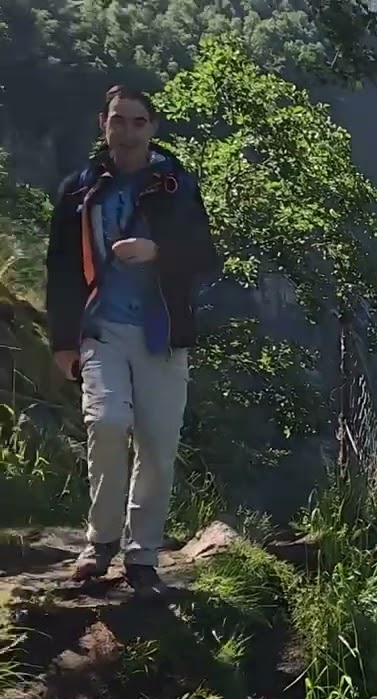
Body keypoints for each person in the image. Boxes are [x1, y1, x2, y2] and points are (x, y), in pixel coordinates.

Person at [44, 84, 221, 596]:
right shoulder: (79, 189)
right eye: (118, 120)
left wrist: (156, 250)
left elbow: (206, 258)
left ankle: (141, 557)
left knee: (158, 447)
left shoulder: (176, 185)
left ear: (153, 128)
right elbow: (59, 268)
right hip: (100, 328)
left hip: (163, 335)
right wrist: (62, 339)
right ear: (103, 123)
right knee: (107, 422)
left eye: (138, 122)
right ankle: (100, 542)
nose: (127, 131)